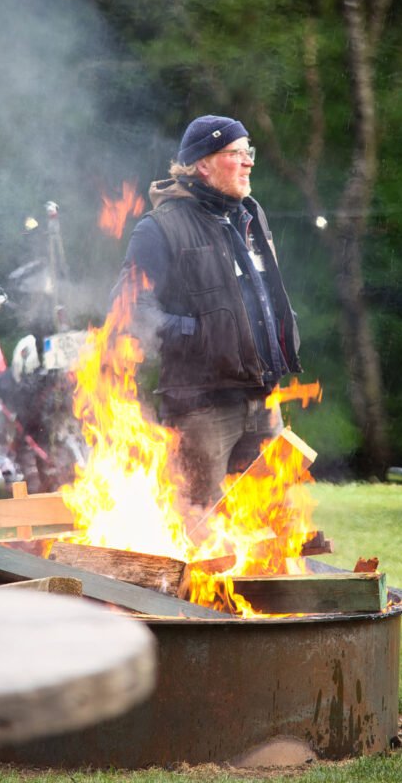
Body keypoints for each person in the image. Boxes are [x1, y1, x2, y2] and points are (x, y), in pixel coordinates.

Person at [113, 114, 301, 511]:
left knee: (272, 524)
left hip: (263, 400)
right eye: (236, 153)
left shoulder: (251, 215)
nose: (249, 161)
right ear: (203, 164)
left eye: (249, 151)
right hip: (202, 409)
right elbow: (131, 309)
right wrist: (200, 334)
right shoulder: (160, 227)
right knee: (201, 530)